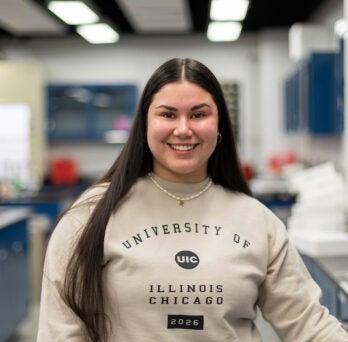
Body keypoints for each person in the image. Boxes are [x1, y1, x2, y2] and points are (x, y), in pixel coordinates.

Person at [37, 58, 348, 342]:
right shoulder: (91, 215)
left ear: (219, 125)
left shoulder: (257, 221)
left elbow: (309, 325)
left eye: (199, 114)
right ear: (145, 124)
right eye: (168, 114)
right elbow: (60, 331)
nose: (183, 129)